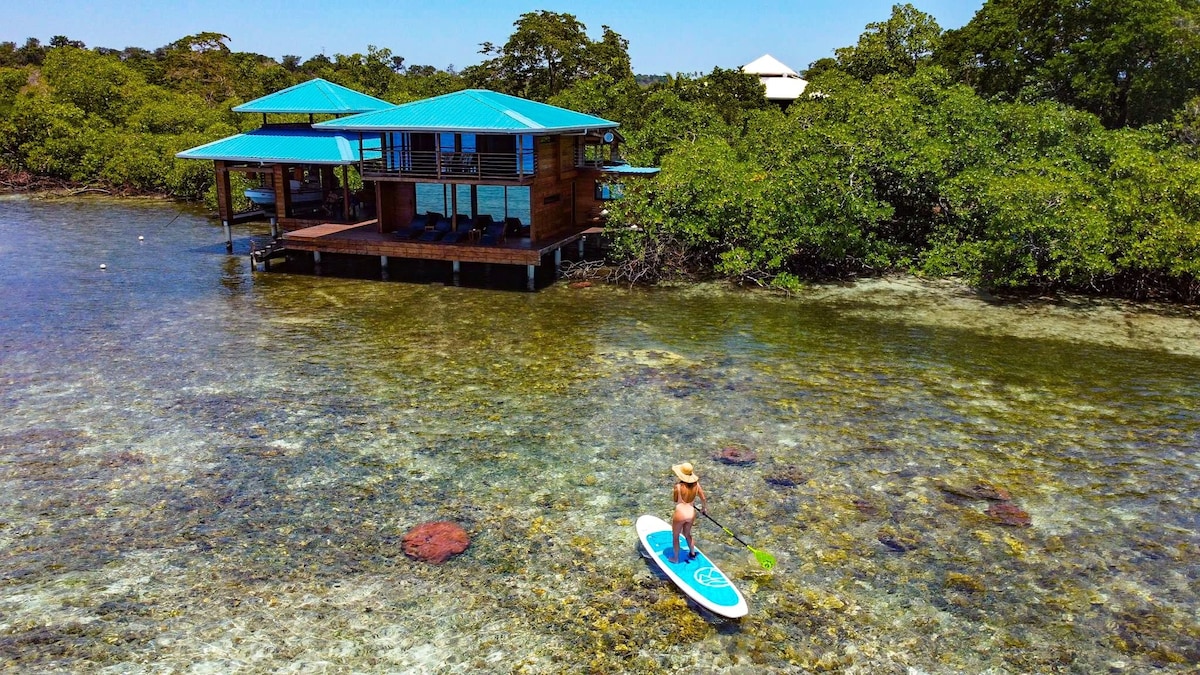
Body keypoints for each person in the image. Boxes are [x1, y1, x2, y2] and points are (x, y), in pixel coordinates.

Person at [669, 462, 707, 563]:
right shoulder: (697, 485)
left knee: (676, 536)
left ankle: (676, 558)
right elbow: (703, 498)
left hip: (680, 513)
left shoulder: (677, 486)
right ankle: (692, 553)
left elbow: (675, 500)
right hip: (691, 513)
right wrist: (703, 508)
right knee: (687, 534)